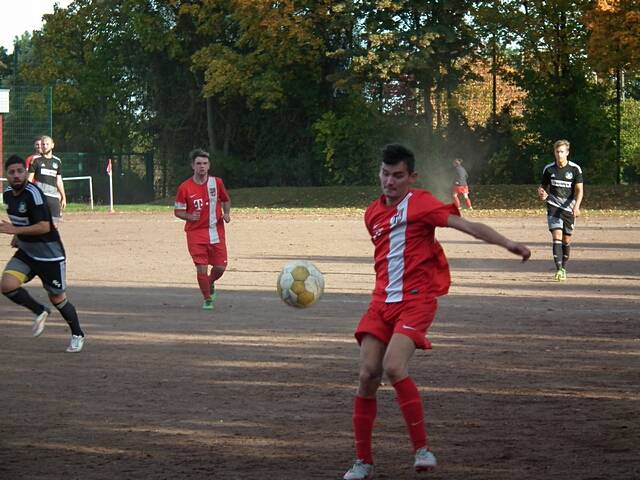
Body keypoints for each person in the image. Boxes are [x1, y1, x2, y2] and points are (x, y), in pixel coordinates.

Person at [343, 144, 530, 480]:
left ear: (411, 177)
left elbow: (467, 225)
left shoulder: (422, 203)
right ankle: (363, 462)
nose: (390, 181)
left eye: (398, 175)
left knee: (393, 366)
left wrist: (508, 244)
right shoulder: (371, 213)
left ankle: (421, 449)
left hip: (416, 300)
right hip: (381, 302)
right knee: (367, 374)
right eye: (385, 174)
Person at [1, 155, 85, 353]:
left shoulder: (33, 194)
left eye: (20, 171)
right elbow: (21, 218)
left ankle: (77, 334)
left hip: (50, 256)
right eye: (12, 172)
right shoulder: (7, 194)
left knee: (58, 298)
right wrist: (17, 236)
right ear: (6, 175)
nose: (16, 176)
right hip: (28, 253)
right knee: (7, 285)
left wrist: (15, 231)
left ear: (25, 172)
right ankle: (39, 311)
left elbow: (44, 226)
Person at [174, 149, 231, 310]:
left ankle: (210, 282)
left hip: (216, 231)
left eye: (205, 163)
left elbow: (226, 200)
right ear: (193, 166)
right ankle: (207, 299)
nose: (202, 167)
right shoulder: (184, 187)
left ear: (209, 165)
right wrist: (189, 216)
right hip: (195, 234)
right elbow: (178, 211)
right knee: (201, 268)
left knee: (220, 267)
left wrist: (226, 213)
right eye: (198, 163)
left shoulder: (217, 183)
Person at [537, 139, 584, 281]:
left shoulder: (575, 169)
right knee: (556, 236)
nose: (559, 154)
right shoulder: (549, 169)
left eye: (562, 151)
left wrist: (577, 206)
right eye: (557, 151)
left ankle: (564, 266)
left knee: (566, 239)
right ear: (554, 152)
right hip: (553, 206)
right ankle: (559, 270)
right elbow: (542, 188)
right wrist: (542, 194)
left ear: (567, 153)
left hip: (569, 209)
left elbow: (580, 191)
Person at [27, 135, 67, 224]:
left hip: (53, 198)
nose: (44, 146)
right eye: (43, 144)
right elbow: (29, 179)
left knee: (54, 226)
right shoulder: (35, 160)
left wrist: (63, 197)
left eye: (47, 144)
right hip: (40, 196)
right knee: (38, 225)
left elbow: (59, 181)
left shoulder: (57, 161)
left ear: (52, 145)